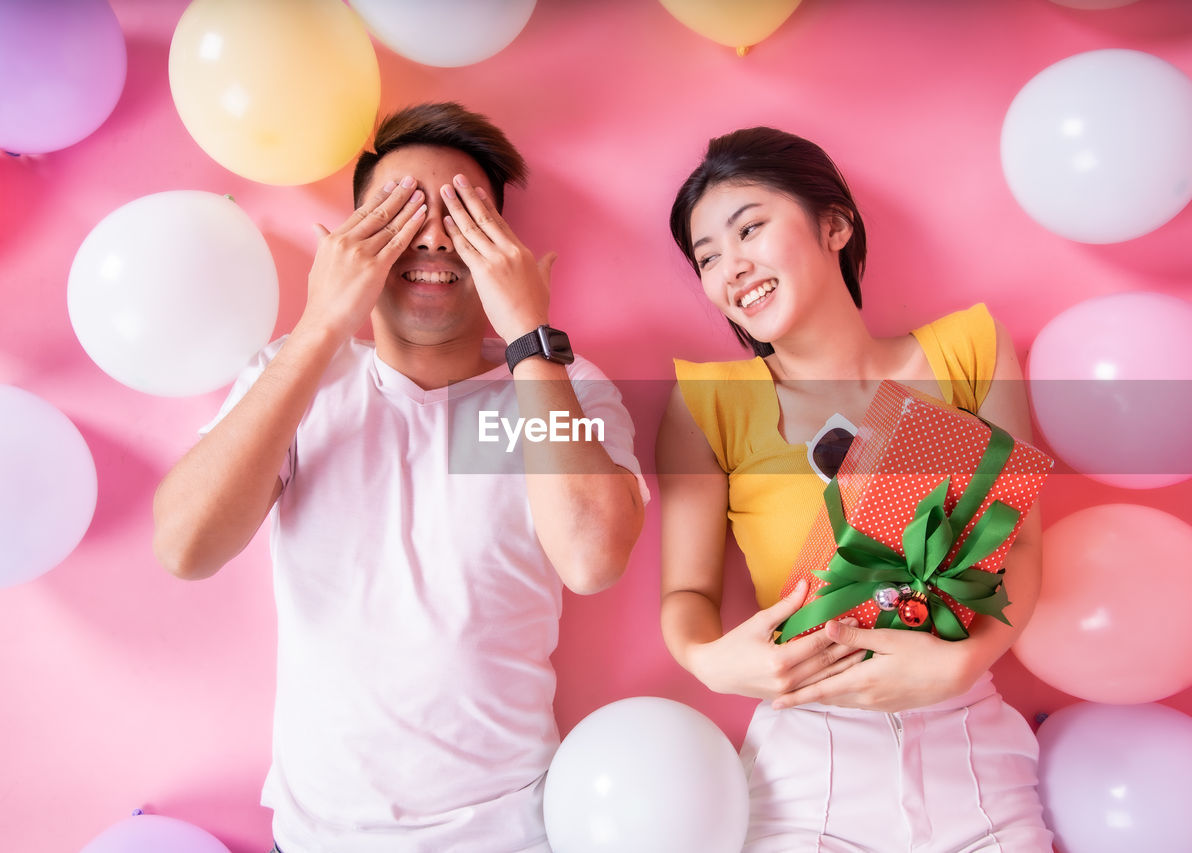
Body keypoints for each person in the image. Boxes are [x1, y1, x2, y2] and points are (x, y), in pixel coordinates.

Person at [153, 102, 647, 852]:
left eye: (463, 214)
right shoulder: (293, 378)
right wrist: (322, 325)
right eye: (400, 211)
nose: (434, 236)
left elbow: (592, 557)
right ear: (347, 239)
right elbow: (186, 545)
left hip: (508, 831)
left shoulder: (559, 385)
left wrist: (529, 338)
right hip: (319, 832)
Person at [657, 127, 1053, 851]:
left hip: (976, 760)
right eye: (707, 257)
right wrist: (707, 660)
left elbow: (1020, 541)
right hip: (809, 769)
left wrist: (965, 661)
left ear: (834, 224)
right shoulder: (706, 400)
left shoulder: (971, 350)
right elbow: (686, 596)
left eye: (750, 228)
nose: (731, 266)